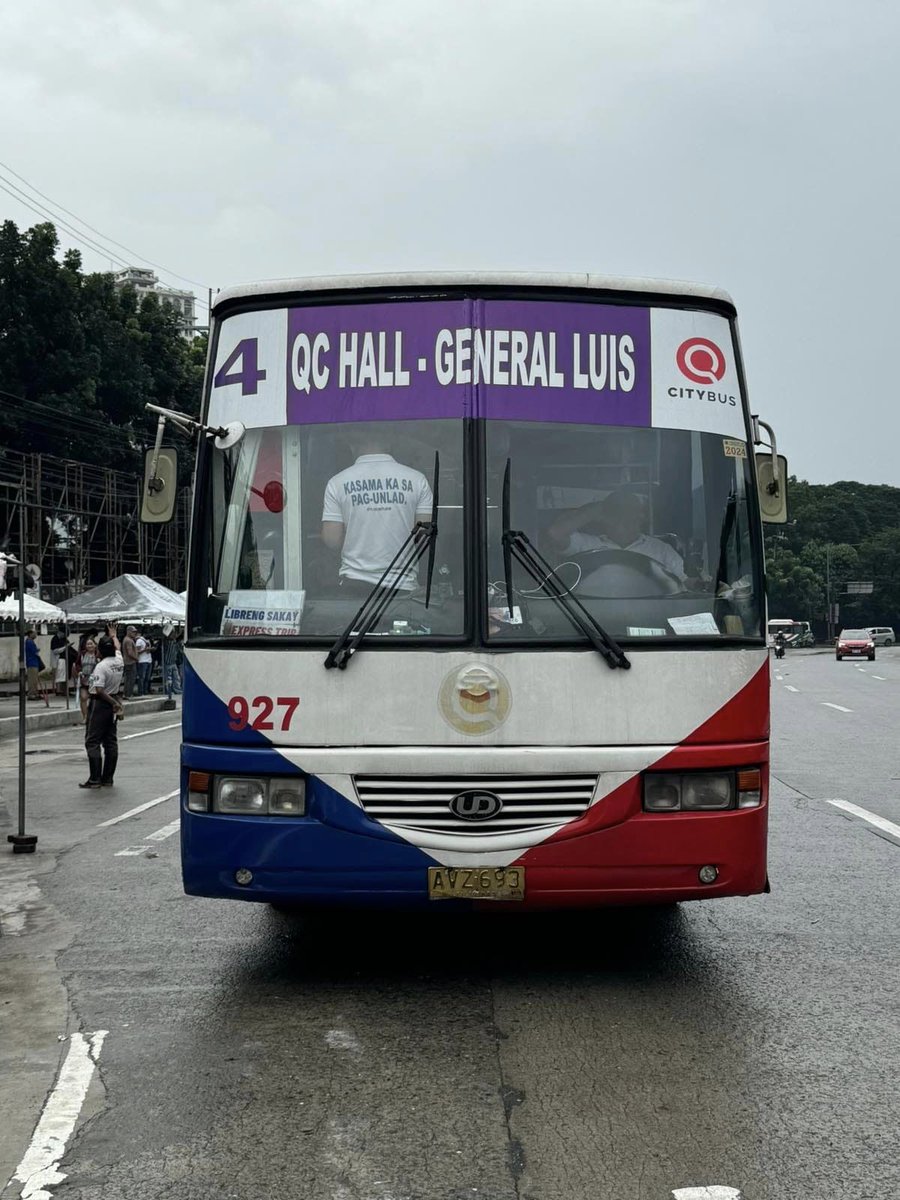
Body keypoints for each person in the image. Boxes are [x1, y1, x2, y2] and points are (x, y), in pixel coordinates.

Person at [321, 439, 433, 597]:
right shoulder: (417, 480)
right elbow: (423, 538)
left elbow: (332, 540)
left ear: (352, 444)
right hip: (402, 587)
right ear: (389, 443)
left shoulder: (336, 483)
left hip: (353, 587)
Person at [548, 490, 687, 582]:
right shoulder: (588, 545)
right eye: (619, 516)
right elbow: (555, 533)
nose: (627, 522)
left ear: (641, 518)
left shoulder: (661, 550)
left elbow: (688, 583)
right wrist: (596, 509)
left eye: (633, 516)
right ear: (606, 520)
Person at [80, 623, 124, 789]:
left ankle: (95, 779)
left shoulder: (101, 666)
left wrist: (112, 702)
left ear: (101, 651)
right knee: (110, 741)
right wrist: (113, 635)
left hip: (101, 704)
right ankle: (108, 778)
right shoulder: (118, 661)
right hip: (113, 702)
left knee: (92, 741)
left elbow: (98, 690)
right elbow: (118, 647)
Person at [76, 636, 98, 722]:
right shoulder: (82, 654)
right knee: (83, 697)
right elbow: (77, 664)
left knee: (94, 699)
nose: (89, 646)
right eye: (88, 644)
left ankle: (93, 716)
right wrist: (79, 671)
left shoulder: (98, 654)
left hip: (95, 680)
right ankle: (85, 717)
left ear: (95, 645)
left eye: (91, 644)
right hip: (84, 679)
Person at [50, 625, 68, 696]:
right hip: (58, 659)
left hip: (63, 659)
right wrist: (64, 648)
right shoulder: (55, 639)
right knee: (59, 675)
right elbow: (55, 651)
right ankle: (58, 690)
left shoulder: (63, 639)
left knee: (63, 675)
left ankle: (63, 690)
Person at [25, 629, 42, 700]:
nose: (36, 635)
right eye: (34, 633)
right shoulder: (29, 642)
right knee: (32, 680)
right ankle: (31, 694)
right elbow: (34, 652)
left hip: (34, 662)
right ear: (30, 634)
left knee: (34, 679)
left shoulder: (30, 642)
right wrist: (37, 650)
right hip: (32, 663)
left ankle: (35, 693)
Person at [121, 626, 138, 699]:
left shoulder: (128, 639)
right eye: (133, 632)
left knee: (129, 678)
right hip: (130, 662)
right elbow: (130, 652)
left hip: (128, 662)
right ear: (128, 631)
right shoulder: (128, 640)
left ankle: (127, 693)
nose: (134, 633)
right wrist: (136, 658)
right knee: (130, 679)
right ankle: (128, 694)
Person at [136, 629, 153, 694]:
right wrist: (144, 650)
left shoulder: (148, 641)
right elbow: (137, 651)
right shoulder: (139, 641)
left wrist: (150, 649)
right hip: (142, 661)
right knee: (142, 677)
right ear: (144, 634)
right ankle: (140, 691)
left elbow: (148, 650)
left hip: (149, 660)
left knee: (147, 677)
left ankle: (145, 691)